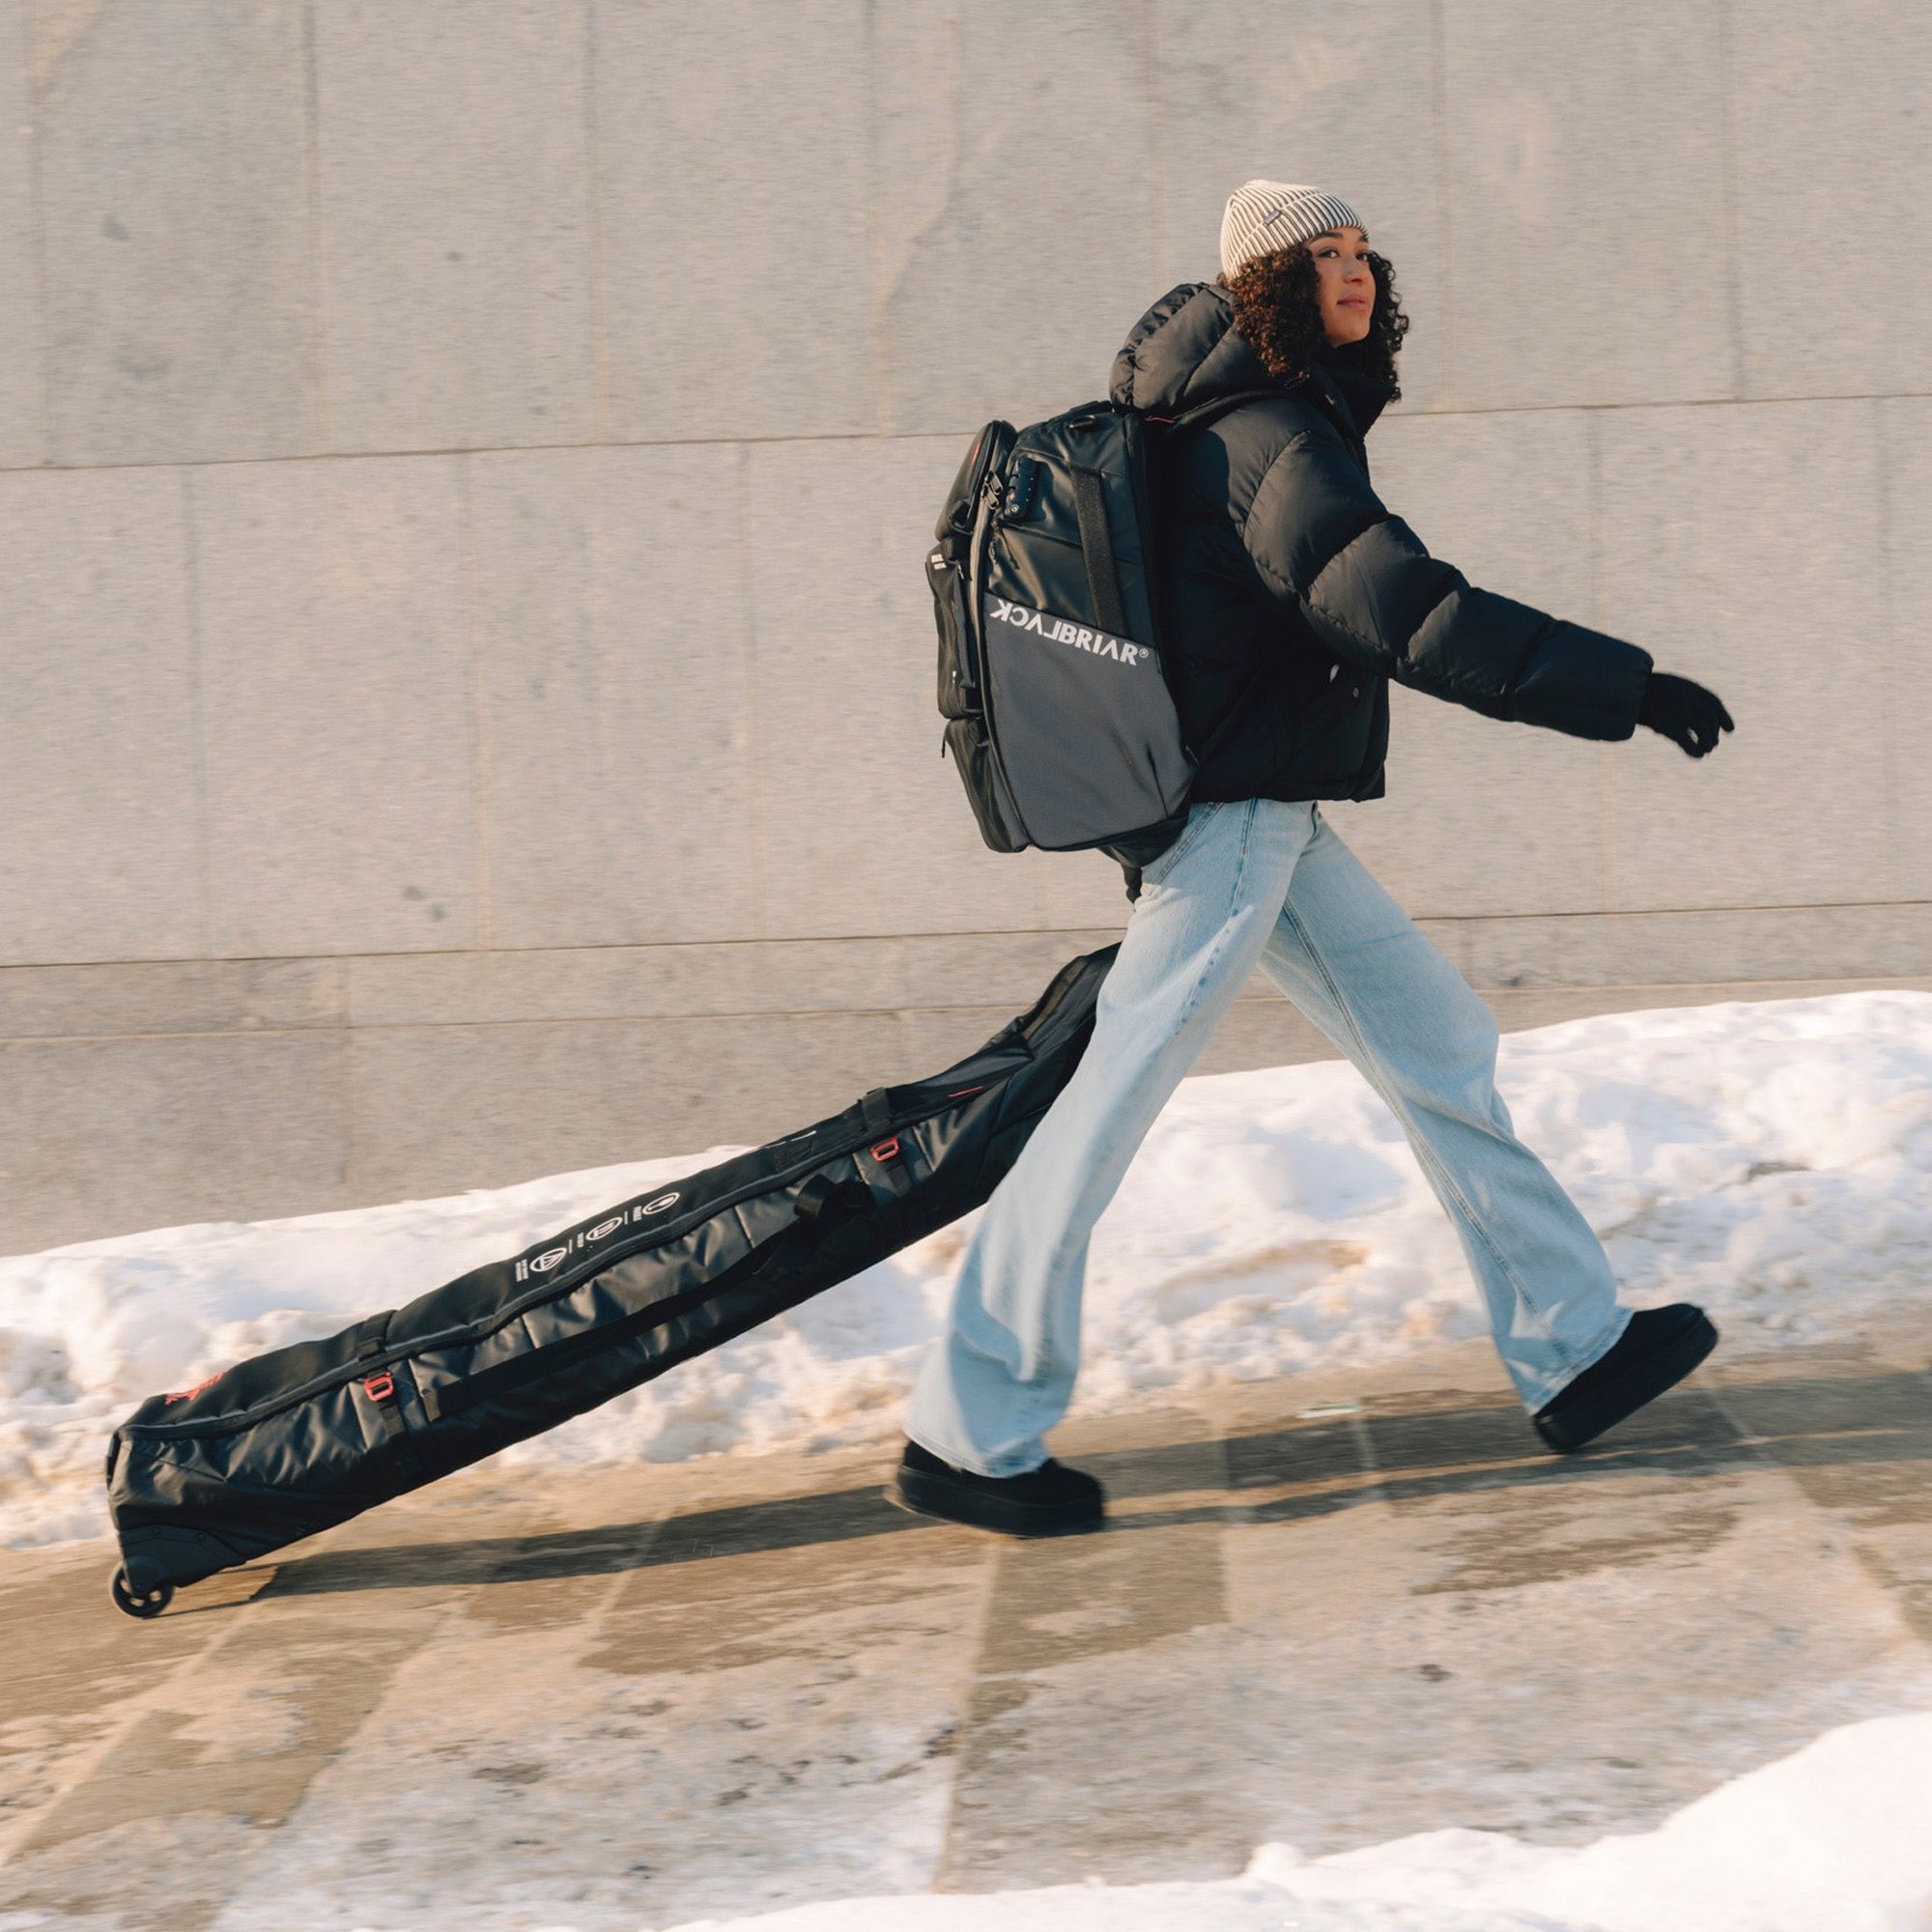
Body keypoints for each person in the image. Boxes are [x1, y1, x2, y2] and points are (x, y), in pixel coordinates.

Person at [890, 180, 1736, 1537]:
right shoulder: (1266, 431)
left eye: (1360, 252)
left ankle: (1573, 1346)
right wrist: (1620, 687)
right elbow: (1401, 605)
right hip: (1232, 825)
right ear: (1267, 287)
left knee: (1436, 1040)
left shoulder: (1244, 417)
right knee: (1106, 1110)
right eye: (1322, 256)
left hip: (1265, 814)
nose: (1354, 272)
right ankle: (968, 1430)